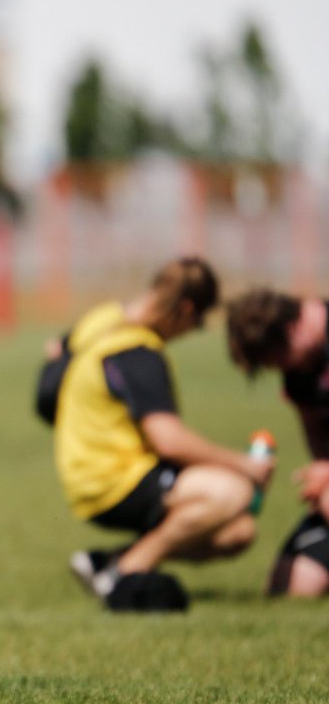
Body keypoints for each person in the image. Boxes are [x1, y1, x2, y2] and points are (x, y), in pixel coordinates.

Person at [44, 257, 274, 608]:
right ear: (185, 308)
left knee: (238, 532)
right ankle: (125, 574)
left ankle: (106, 563)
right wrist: (244, 465)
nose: (191, 331)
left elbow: (54, 352)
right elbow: (169, 440)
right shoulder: (138, 351)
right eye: (197, 323)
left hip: (80, 473)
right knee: (234, 492)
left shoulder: (101, 318)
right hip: (115, 479)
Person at [226, 287, 329, 597]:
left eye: (279, 358)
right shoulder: (300, 370)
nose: (281, 369)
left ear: (292, 329)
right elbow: (315, 427)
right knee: (290, 587)